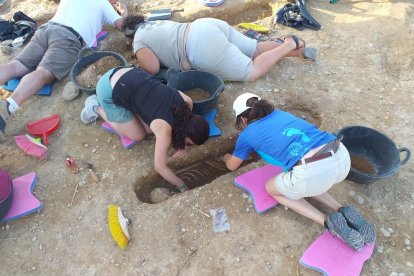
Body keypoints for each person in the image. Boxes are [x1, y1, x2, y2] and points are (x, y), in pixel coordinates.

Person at [223, 93, 376, 251]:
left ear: (243, 119)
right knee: (312, 179)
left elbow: (232, 166)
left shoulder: (247, 134)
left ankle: (327, 220)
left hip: (312, 170)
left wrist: (227, 158)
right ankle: (341, 208)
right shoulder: (280, 114)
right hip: (341, 155)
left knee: (271, 188)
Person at [0, 0, 128, 139]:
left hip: (46, 29)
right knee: (43, 72)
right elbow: (123, 25)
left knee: (17, 65)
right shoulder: (103, 4)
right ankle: (8, 106)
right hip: (68, 38)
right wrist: (124, 12)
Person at [80, 66, 210, 192]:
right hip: (107, 89)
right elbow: (160, 167)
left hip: (128, 73)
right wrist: (182, 185)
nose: (188, 146)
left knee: (150, 128)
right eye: (189, 143)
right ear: (185, 135)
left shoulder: (187, 102)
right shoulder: (164, 130)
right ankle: (95, 107)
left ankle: (125, 110)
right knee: (138, 135)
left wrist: (184, 142)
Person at [125, 16, 315, 82]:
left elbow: (152, 68)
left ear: (131, 35)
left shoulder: (138, 41)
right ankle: (296, 50)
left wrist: (139, 59)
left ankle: (289, 44)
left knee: (252, 71)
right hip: (205, 25)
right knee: (256, 49)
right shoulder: (155, 22)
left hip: (200, 48)